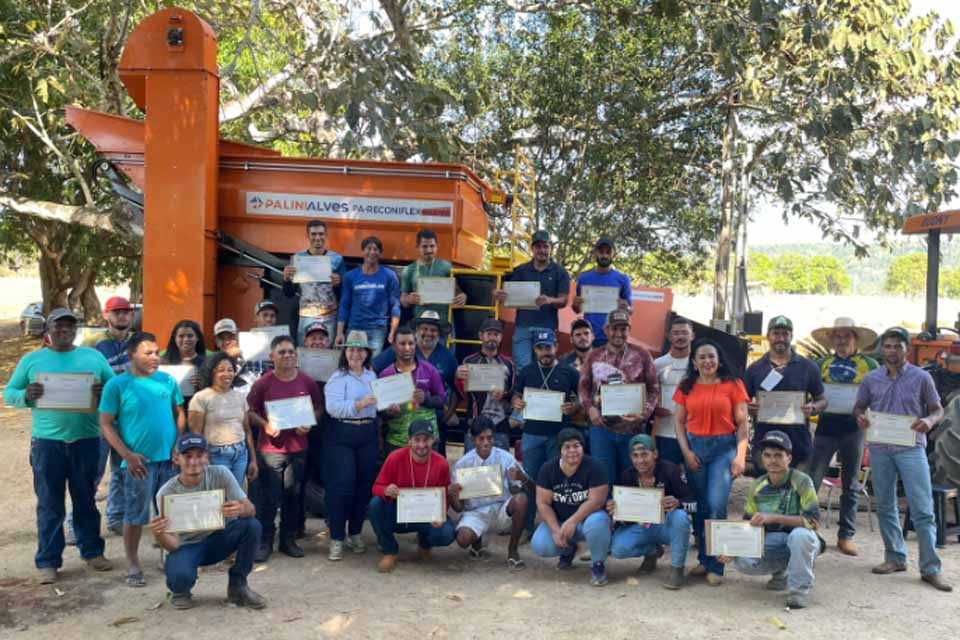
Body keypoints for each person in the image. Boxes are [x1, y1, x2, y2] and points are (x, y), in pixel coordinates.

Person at [3, 308, 115, 584]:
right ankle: (48, 561)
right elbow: (9, 393)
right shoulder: (32, 360)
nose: (64, 330)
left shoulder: (93, 357)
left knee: (85, 499)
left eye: (69, 326)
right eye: (58, 326)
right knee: (50, 503)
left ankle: (92, 551)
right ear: (48, 330)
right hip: (47, 443)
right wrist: (26, 395)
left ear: (75, 330)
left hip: (86, 441)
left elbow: (115, 389)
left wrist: (104, 392)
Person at [854, 327, 952, 592]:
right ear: (882, 349)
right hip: (880, 449)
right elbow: (859, 407)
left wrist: (929, 421)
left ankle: (930, 568)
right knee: (886, 505)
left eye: (897, 346)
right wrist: (861, 417)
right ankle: (895, 557)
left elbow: (938, 410)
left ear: (907, 349)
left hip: (911, 448)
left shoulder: (922, 378)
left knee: (922, 509)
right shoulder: (871, 378)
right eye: (887, 346)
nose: (892, 351)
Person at [98, 331, 185, 588]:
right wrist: (127, 455)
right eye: (148, 353)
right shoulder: (117, 385)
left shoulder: (167, 381)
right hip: (138, 464)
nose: (155, 357)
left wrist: (178, 444)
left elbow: (179, 412)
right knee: (135, 515)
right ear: (131, 355)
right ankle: (133, 563)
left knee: (169, 511)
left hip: (169, 460)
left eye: (157, 352)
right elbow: (105, 423)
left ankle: (169, 555)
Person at [150, 433, 266, 610]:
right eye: (187, 456)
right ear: (176, 459)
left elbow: (251, 509)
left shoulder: (221, 473)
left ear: (207, 457)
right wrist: (159, 533)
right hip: (187, 546)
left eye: (199, 455)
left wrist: (240, 509)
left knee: (252, 526)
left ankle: (238, 586)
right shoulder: (166, 493)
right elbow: (173, 545)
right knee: (179, 575)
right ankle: (180, 590)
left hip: (218, 539)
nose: (194, 461)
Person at [673, 338, 749, 586]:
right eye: (702, 357)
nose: (707, 361)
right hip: (696, 448)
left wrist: (740, 456)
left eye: (711, 356)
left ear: (719, 360)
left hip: (723, 449)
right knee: (700, 506)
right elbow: (679, 422)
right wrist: (686, 452)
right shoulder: (686, 387)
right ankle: (704, 559)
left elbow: (742, 424)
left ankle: (717, 565)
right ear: (694, 362)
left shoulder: (733, 385)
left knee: (717, 505)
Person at [719, 431, 822, 609]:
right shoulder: (757, 485)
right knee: (741, 561)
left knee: (800, 537)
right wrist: (734, 548)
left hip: (804, 540)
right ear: (762, 459)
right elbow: (749, 524)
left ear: (789, 458)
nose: (772, 460)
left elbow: (813, 522)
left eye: (778, 455)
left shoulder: (802, 481)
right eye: (767, 455)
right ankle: (781, 572)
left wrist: (772, 517)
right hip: (773, 540)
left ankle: (799, 591)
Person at [246, 335, 323, 562]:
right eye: (282, 352)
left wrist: (310, 422)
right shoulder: (263, 383)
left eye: (291, 352)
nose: (287, 355)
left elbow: (319, 407)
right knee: (268, 498)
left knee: (293, 494)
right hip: (270, 449)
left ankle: (288, 540)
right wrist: (265, 425)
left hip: (298, 448)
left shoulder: (307, 381)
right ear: (272, 356)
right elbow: (250, 412)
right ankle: (265, 541)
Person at [806, 317, 878, 557]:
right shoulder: (821, 364)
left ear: (855, 339)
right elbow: (808, 391)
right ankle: (808, 530)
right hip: (826, 426)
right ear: (831, 339)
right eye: (837, 336)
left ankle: (846, 535)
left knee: (851, 483)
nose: (841, 340)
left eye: (846, 335)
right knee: (812, 480)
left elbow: (877, 393)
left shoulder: (869, 364)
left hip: (854, 428)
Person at [578, 309, 659, 488]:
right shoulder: (594, 356)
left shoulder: (642, 355)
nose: (619, 333)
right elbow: (583, 387)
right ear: (606, 330)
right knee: (603, 480)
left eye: (624, 329)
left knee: (632, 479)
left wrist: (644, 414)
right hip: (601, 429)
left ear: (629, 330)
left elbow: (654, 389)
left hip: (633, 429)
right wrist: (590, 409)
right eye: (614, 328)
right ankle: (606, 507)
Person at [511, 329, 580, 534]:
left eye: (548, 347)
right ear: (535, 350)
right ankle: (526, 526)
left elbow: (581, 398)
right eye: (540, 348)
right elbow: (516, 395)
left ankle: (556, 525)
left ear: (556, 347)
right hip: (531, 434)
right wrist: (516, 402)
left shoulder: (569, 372)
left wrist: (574, 406)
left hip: (558, 437)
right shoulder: (527, 371)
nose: (545, 352)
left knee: (557, 481)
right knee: (529, 479)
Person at [368, 420, 457, 573]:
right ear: (409, 440)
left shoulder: (441, 463)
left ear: (433, 440)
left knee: (446, 533)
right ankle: (389, 551)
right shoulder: (395, 457)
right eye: (417, 440)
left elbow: (444, 496)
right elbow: (376, 488)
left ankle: (424, 545)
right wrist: (386, 490)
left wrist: (441, 514)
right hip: (398, 513)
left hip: (427, 515)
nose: (421, 445)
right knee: (375, 505)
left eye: (426, 440)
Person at [608, 434, 695, 589]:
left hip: (666, 526)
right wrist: (616, 512)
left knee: (680, 516)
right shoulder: (627, 476)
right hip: (642, 526)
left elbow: (693, 504)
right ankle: (652, 551)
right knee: (618, 549)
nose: (640, 460)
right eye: (635, 456)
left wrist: (678, 503)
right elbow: (624, 518)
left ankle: (677, 569)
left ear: (655, 454)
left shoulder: (670, 470)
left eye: (644, 454)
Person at [323, 330, 380, 561]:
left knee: (364, 485)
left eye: (360, 350)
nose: (355, 354)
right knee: (342, 485)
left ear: (367, 353)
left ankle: (355, 532)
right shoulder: (337, 378)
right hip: (342, 434)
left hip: (368, 433)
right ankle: (337, 537)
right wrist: (358, 405)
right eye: (351, 349)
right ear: (345, 352)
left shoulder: (372, 377)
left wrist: (388, 405)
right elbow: (333, 408)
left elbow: (377, 405)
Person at [83, 295, 136, 535]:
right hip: (99, 417)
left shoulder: (138, 341)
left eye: (125, 311)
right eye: (116, 312)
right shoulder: (93, 342)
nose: (122, 315)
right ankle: (77, 523)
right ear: (106, 315)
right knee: (92, 473)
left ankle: (116, 517)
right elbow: (80, 375)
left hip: (128, 418)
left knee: (121, 470)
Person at [531, 428, 611, 586]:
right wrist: (555, 529)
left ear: (583, 447)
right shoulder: (548, 469)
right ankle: (568, 549)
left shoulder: (595, 466)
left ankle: (598, 564)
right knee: (541, 545)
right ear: (559, 450)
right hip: (561, 521)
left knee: (598, 523)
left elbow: (597, 501)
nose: (572, 451)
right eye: (567, 447)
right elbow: (543, 503)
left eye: (576, 446)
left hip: (588, 520)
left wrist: (573, 521)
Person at [744, 315, 826, 468]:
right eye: (776, 333)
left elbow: (822, 400)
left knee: (798, 483)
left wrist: (813, 408)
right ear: (768, 336)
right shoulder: (755, 369)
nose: (780, 338)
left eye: (785, 334)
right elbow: (742, 402)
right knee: (767, 483)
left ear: (791, 336)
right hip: (765, 444)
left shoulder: (808, 367)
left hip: (798, 444)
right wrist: (748, 407)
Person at [449, 418, 530, 568]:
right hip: (476, 513)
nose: (486, 443)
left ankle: (512, 550)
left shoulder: (505, 457)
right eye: (481, 438)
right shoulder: (462, 464)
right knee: (462, 539)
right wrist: (453, 495)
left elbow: (519, 490)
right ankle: (477, 540)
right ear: (473, 439)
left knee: (521, 500)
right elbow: (459, 508)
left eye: (490, 438)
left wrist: (521, 478)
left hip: (501, 510)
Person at [375, 311, 458, 453]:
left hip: (430, 427)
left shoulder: (446, 357)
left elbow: (452, 390)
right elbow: (375, 369)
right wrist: (387, 409)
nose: (428, 333)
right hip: (398, 432)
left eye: (433, 330)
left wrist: (446, 414)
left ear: (439, 334)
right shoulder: (398, 351)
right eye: (424, 328)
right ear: (417, 331)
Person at [493, 230, 570, 371]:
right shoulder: (520, 270)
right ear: (532, 249)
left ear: (551, 248)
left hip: (546, 327)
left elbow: (564, 300)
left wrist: (549, 300)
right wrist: (497, 293)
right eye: (538, 246)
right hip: (523, 327)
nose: (542, 250)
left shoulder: (560, 272)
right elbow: (501, 287)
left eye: (545, 246)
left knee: (545, 368)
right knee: (522, 369)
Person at [187, 352, 258, 487]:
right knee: (219, 496)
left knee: (236, 495)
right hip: (215, 455)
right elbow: (196, 434)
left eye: (230, 370)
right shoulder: (201, 398)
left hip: (240, 454)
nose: (227, 374)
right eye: (221, 370)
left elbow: (247, 430)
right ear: (211, 372)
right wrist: (203, 459)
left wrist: (253, 460)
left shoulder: (239, 397)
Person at [455, 317, 517, 451]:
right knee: (473, 464)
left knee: (500, 464)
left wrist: (504, 394)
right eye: (489, 334)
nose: (492, 338)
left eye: (496, 334)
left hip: (500, 425)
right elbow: (461, 393)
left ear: (501, 337)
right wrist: (458, 378)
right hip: (475, 423)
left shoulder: (509, 364)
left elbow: (514, 393)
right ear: (481, 336)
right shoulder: (469, 362)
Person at [282, 219, 346, 345]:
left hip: (329, 317)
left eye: (321, 234)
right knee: (304, 353)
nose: (317, 237)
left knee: (328, 354)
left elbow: (344, 294)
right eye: (314, 234)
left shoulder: (337, 259)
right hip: (306, 317)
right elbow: (289, 293)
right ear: (307, 235)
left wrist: (338, 285)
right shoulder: (298, 258)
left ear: (326, 235)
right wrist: (286, 280)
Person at [335, 235, 400, 357]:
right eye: (369, 248)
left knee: (372, 364)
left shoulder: (389, 276)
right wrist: (339, 332)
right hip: (355, 328)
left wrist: (393, 332)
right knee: (353, 362)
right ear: (362, 251)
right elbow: (344, 306)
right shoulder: (350, 276)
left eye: (376, 249)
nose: (372, 252)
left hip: (377, 330)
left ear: (380, 253)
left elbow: (395, 305)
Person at [570, 237, 632, 347]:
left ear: (614, 255)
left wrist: (625, 308)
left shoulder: (623, 279)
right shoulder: (584, 278)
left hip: (613, 337)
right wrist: (575, 305)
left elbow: (630, 310)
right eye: (601, 252)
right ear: (595, 253)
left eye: (608, 252)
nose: (604, 255)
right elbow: (578, 309)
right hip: (590, 337)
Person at [399, 228, 467, 323]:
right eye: (424, 246)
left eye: (432, 246)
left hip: (444, 322)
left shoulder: (446, 267)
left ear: (437, 246)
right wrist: (409, 299)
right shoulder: (409, 270)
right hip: (421, 323)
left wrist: (462, 296)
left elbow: (457, 291)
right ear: (417, 247)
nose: (429, 250)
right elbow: (403, 301)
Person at [653, 317, 695, 465]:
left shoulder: (699, 363)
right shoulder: (657, 364)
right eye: (676, 333)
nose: (680, 337)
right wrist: (654, 408)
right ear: (669, 336)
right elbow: (649, 394)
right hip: (665, 432)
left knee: (694, 474)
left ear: (692, 335)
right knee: (668, 474)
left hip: (694, 432)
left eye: (684, 332)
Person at [559, 318, 594, 447]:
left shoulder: (604, 359)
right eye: (578, 335)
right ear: (571, 339)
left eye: (586, 333)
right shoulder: (563, 362)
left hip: (598, 422)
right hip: (571, 423)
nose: (583, 337)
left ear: (593, 336)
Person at [160, 319, 209, 408]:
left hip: (197, 410)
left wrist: (203, 383)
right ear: (174, 338)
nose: (186, 339)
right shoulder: (163, 362)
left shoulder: (207, 363)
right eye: (181, 336)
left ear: (197, 338)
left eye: (190, 336)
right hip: (169, 409)